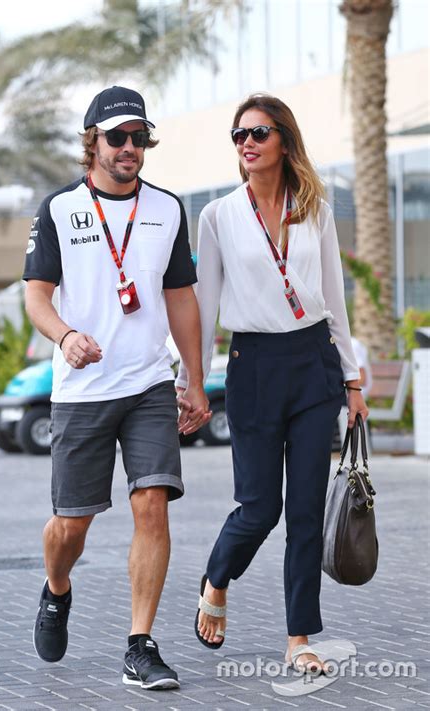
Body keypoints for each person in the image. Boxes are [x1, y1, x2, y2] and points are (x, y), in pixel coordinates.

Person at [23, 85, 211, 690]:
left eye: (139, 137)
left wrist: (195, 379)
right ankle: (56, 589)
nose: (130, 148)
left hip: (148, 384)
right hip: (81, 389)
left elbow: (180, 297)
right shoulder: (59, 209)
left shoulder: (166, 209)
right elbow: (36, 295)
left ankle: (140, 644)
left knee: (152, 504)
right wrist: (65, 335)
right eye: (117, 137)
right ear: (93, 143)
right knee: (70, 527)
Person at [176, 93, 369, 674]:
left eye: (258, 133)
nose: (247, 144)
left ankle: (299, 637)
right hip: (253, 365)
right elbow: (205, 307)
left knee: (306, 510)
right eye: (238, 136)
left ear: (284, 140)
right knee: (260, 507)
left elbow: (334, 301)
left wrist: (352, 381)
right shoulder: (218, 216)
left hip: (313, 363)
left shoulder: (316, 211)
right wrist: (192, 382)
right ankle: (217, 576)